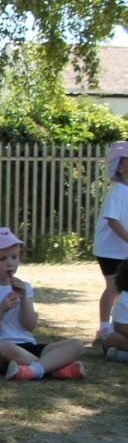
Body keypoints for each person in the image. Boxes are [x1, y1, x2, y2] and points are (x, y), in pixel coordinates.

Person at [0, 227, 85, 380]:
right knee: (5, 347)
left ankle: (33, 370)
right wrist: (1, 309)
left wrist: (24, 298)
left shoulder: (25, 287)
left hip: (28, 346)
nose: (10, 263)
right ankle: (53, 368)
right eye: (2, 259)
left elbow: (29, 326)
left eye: (14, 257)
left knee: (76, 345)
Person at [95, 141, 128, 343]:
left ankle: (116, 324)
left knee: (121, 288)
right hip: (110, 250)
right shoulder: (117, 192)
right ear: (120, 167)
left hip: (123, 250)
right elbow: (112, 220)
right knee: (113, 286)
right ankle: (104, 327)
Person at [103, 260, 128, 362]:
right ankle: (119, 355)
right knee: (115, 338)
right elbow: (120, 327)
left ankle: (120, 356)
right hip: (124, 336)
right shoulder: (124, 300)